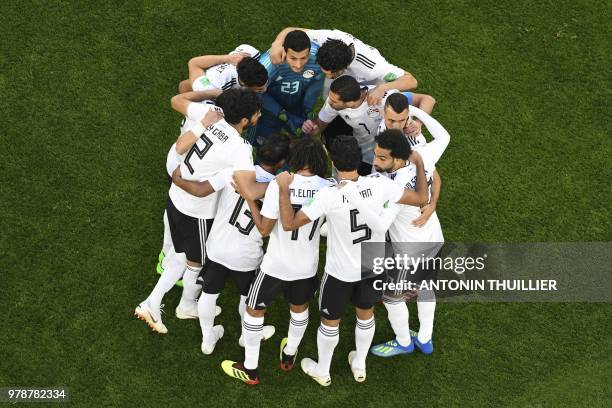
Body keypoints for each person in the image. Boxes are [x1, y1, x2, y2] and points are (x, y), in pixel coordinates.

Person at [274, 136, 429, 386]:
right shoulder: (381, 185)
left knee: (330, 322)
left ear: (333, 162)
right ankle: (360, 365)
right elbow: (422, 198)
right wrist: (419, 164)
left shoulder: (328, 195)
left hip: (340, 273)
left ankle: (323, 370)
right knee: (365, 314)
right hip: (372, 268)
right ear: (360, 159)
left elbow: (290, 223)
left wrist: (282, 187)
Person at [134, 88, 265, 334]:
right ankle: (172, 305)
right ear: (245, 120)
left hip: (175, 198)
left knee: (182, 254)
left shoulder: (210, 115)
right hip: (196, 211)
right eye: (257, 114)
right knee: (196, 261)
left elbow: (180, 144)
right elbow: (248, 189)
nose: (259, 117)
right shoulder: (240, 149)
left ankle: (166, 302)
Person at [221, 137, 333, 385]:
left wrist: (249, 198)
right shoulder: (329, 188)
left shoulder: (278, 184)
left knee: (254, 310)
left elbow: (263, 228)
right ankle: (289, 355)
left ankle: (250, 369)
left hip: (276, 265)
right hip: (307, 265)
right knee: (299, 309)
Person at [252, 30, 324, 146]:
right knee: (267, 150)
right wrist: (284, 115)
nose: (299, 65)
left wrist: (307, 111)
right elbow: (256, 93)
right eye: (293, 58)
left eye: (304, 58)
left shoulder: (319, 60)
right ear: (284, 51)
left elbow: (314, 87)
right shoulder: (267, 66)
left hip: (297, 105)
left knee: (302, 141)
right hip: (269, 110)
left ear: (310, 52)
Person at [178, 44, 267, 95]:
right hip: (209, 80)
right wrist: (227, 58)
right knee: (185, 87)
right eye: (258, 87)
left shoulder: (250, 52)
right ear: (243, 83)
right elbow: (194, 63)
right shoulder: (216, 85)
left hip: (217, 74)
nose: (264, 88)